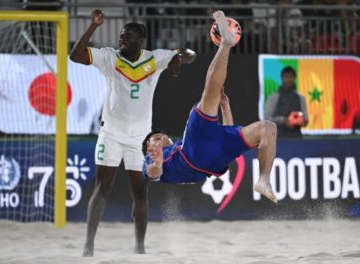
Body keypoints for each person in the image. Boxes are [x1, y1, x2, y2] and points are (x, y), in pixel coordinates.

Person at [69, 9, 196, 256]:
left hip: (140, 139)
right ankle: (88, 245)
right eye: (121, 36)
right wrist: (93, 27)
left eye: (127, 37)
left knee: (140, 192)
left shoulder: (155, 58)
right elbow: (75, 56)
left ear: (140, 40)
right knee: (102, 189)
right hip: (111, 135)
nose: (122, 39)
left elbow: (190, 54)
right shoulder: (109, 57)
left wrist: (178, 58)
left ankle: (139, 247)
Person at [141, 10, 278, 204]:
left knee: (268, 128)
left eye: (162, 135)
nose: (162, 136)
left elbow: (227, 131)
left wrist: (226, 106)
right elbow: (154, 174)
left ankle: (264, 180)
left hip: (216, 157)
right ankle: (226, 44)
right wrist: (156, 162)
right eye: (156, 138)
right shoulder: (152, 160)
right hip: (192, 156)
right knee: (209, 95)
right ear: (148, 147)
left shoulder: (177, 143)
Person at [264, 66, 308, 138]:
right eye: (286, 77)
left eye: (291, 77)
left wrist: (302, 121)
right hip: (278, 138)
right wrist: (283, 120)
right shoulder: (273, 97)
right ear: (282, 78)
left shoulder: (301, 98)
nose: (289, 79)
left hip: (296, 138)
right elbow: (267, 118)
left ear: (294, 78)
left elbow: (306, 119)